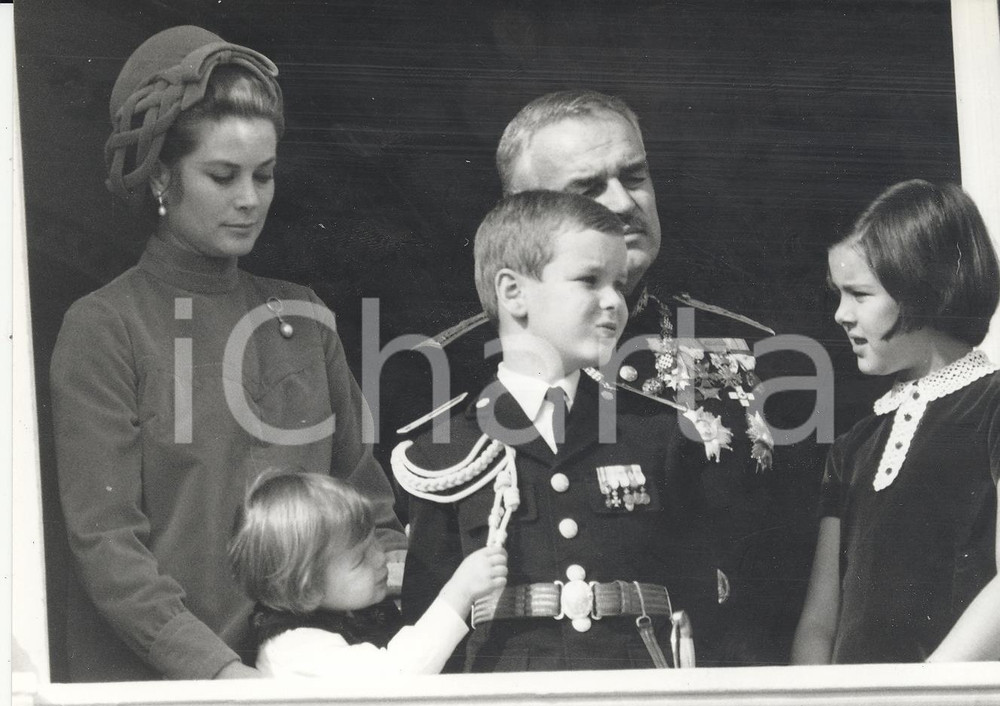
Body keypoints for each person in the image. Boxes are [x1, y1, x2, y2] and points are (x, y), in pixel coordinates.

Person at [398, 90, 817, 664]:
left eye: (634, 175)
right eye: (588, 188)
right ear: (524, 210)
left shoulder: (761, 354)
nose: (621, 203)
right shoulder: (443, 371)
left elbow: (798, 562)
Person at [49, 26, 405, 682]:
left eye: (264, 175)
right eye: (222, 175)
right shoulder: (105, 326)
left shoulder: (303, 313)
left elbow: (367, 502)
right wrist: (220, 676)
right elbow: (107, 547)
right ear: (160, 175)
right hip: (166, 698)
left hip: (315, 685)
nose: (250, 198)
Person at [393, 190, 720, 672]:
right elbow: (430, 619)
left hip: (638, 697)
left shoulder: (659, 433)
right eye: (590, 280)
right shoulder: (444, 451)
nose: (614, 301)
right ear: (513, 293)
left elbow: (699, 602)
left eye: (619, 284)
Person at [791, 180, 1000, 664]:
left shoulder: (991, 406)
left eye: (859, 294)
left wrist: (924, 694)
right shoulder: (854, 445)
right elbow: (820, 621)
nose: (841, 314)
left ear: (923, 290)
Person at [230, 471, 507, 677]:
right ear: (307, 588)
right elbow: (395, 676)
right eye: (360, 558)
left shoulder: (344, 609)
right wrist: (458, 594)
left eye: (374, 541)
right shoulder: (293, 647)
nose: (379, 557)